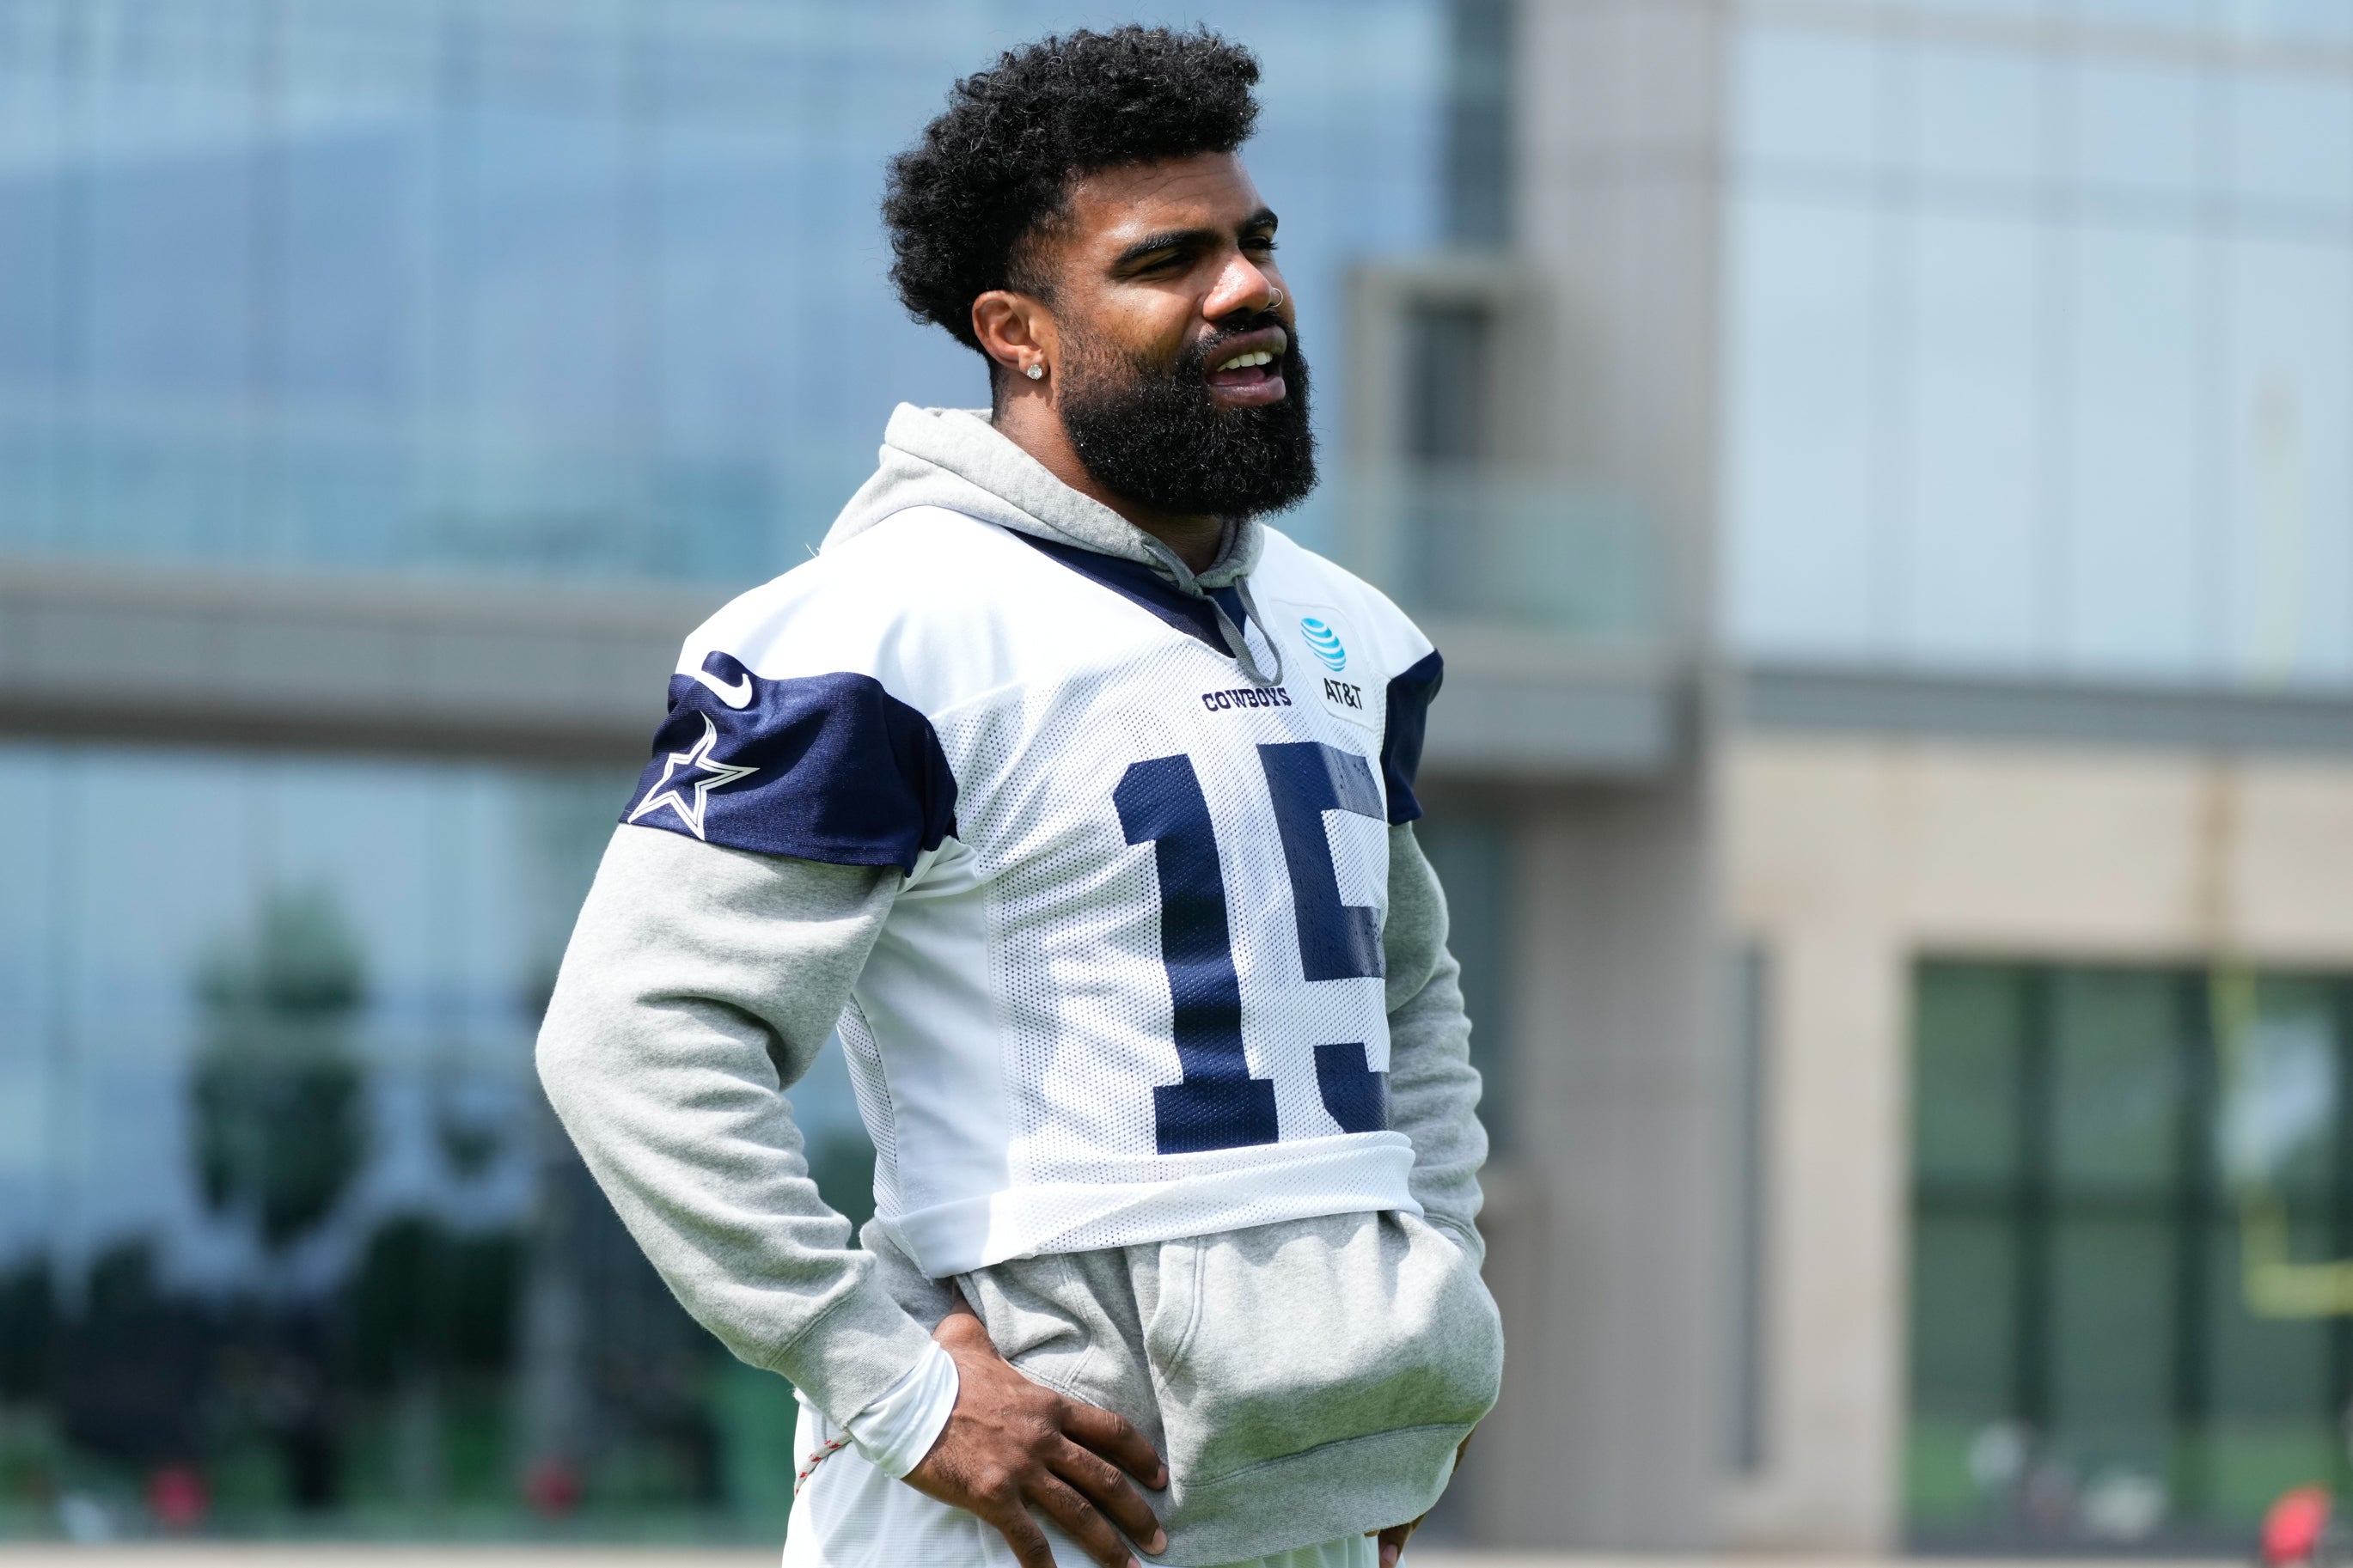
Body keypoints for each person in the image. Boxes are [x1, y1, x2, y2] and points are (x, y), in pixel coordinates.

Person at [537, 25, 1500, 1568]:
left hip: (1304, 1490)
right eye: (1167, 260)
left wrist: (1415, 1352)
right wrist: (896, 1386)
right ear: (1016, 329)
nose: (1247, 287)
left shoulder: (1353, 632)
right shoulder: (875, 630)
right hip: (1021, 1506)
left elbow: (1412, 1005)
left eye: (1254, 242)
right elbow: (632, 1041)